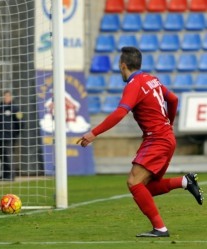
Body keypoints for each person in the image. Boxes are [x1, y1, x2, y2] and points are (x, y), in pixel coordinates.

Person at [77, 46, 204, 238]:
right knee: (145, 188)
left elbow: (121, 112)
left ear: (123, 65)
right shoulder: (152, 79)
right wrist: (169, 122)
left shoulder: (134, 84)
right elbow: (174, 99)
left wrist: (94, 133)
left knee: (133, 182)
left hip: (157, 139)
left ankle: (160, 228)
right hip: (166, 138)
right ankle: (184, 181)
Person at [0, 90, 23, 181]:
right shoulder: (0, 107)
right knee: (2, 156)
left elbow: (21, 122)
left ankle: (11, 175)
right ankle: (5, 175)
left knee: (8, 155)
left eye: (7, 96)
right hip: (0, 135)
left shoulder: (15, 108)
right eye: (4, 96)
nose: (6, 98)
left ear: (11, 97)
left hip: (9, 136)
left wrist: (15, 133)